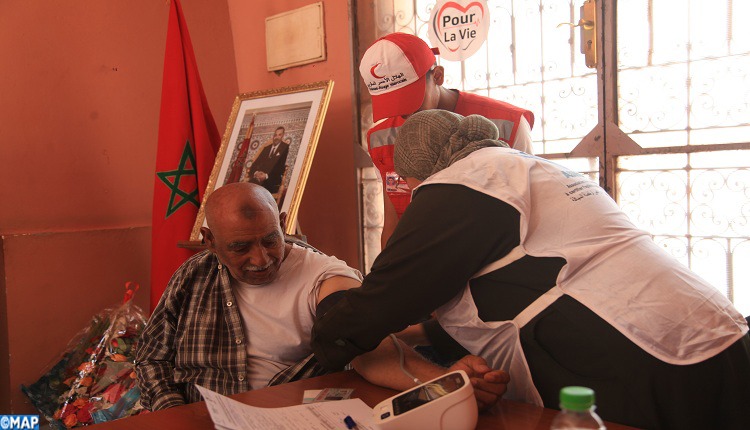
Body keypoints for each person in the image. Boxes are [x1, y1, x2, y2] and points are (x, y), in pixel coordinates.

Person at [311, 110, 750, 430]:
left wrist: (327, 335)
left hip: (651, 356)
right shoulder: (533, 169)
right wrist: (414, 338)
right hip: (718, 334)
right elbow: (518, 284)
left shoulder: (458, 185)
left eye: (406, 186)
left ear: (417, 174)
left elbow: (381, 300)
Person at [135, 182, 508, 411]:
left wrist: (444, 385)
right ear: (210, 242)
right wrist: (175, 415)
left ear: (283, 224)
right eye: (240, 248)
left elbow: (363, 343)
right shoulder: (193, 276)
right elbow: (152, 358)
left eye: (270, 240)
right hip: (194, 415)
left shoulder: (324, 275)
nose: (261, 259)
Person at [359, 32, 535, 249]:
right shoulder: (381, 138)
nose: (405, 116)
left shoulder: (507, 123)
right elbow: (393, 222)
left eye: (410, 102)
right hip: (421, 262)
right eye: (394, 106)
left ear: (438, 76)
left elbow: (526, 214)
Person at [248, 126, 289, 194]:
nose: (277, 137)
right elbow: (255, 164)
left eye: (279, 135)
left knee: (257, 193)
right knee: (249, 188)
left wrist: (266, 176)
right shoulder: (266, 148)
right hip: (257, 179)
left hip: (271, 180)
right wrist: (256, 173)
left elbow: (280, 167)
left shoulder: (285, 147)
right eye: (275, 135)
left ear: (283, 136)